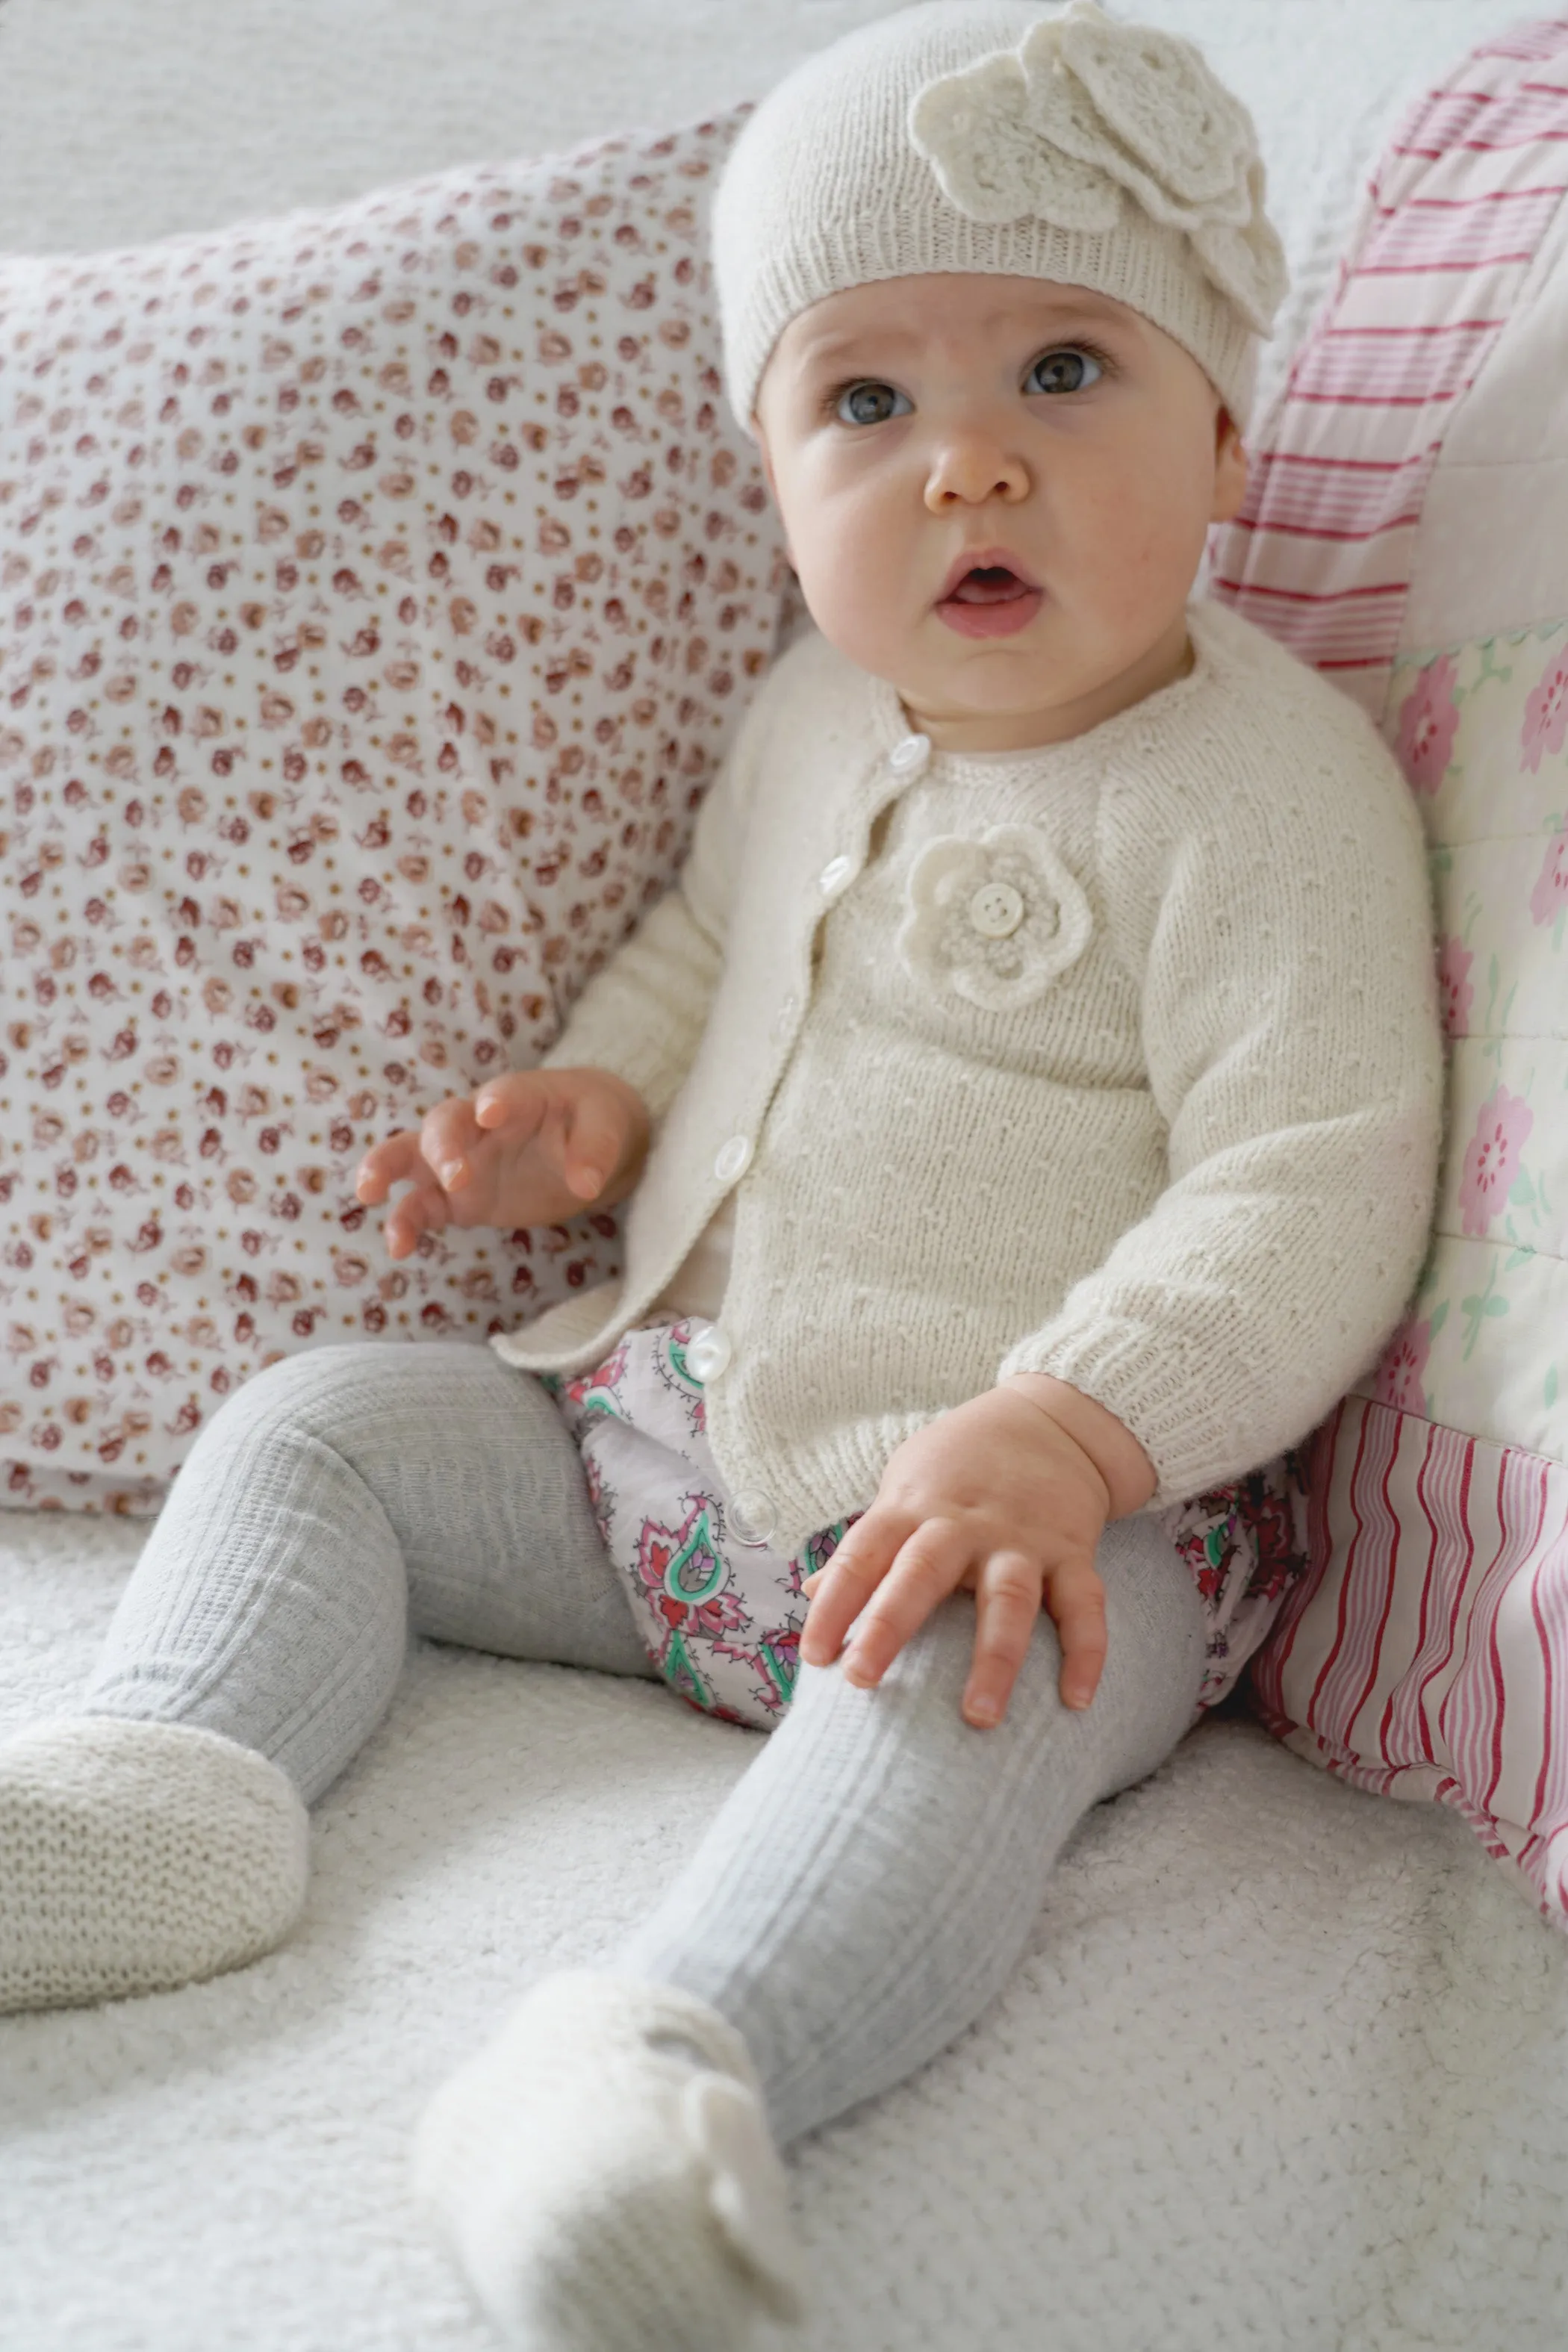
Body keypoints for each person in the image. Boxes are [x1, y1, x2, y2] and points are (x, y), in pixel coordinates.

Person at [0, 4, 1443, 2345]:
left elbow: (1310, 1170)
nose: (962, 465)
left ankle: (658, 2050)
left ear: (1224, 428)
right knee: (331, 1416)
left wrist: (1063, 1428)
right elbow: (705, 951)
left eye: (1061, 372)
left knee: (969, 1683)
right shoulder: (802, 712)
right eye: (864, 402)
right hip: (662, 1462)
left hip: (1043, 1528)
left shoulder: (1254, 789)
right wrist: (591, 1106)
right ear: (772, 471)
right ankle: (168, 1780)